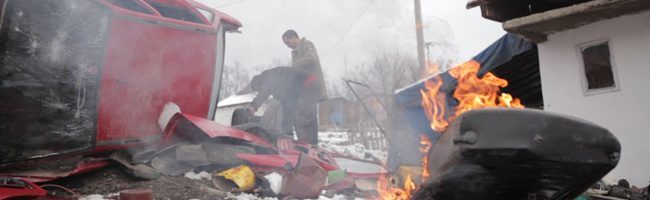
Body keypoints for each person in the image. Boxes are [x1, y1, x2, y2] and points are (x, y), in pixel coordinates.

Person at [247, 67, 321, 145]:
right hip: (308, 86)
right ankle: (304, 142)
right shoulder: (283, 89)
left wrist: (253, 106)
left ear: (259, 83)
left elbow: (264, 92)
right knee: (298, 114)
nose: (260, 91)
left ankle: (312, 144)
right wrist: (286, 132)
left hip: (308, 85)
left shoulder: (270, 76)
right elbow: (288, 110)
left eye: (259, 89)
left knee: (304, 114)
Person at [281, 30, 327, 100]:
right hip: (305, 91)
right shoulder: (295, 52)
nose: (288, 46)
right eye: (286, 44)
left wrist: (295, 66)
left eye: (288, 43)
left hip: (314, 89)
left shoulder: (307, 44)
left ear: (293, 37)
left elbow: (312, 58)